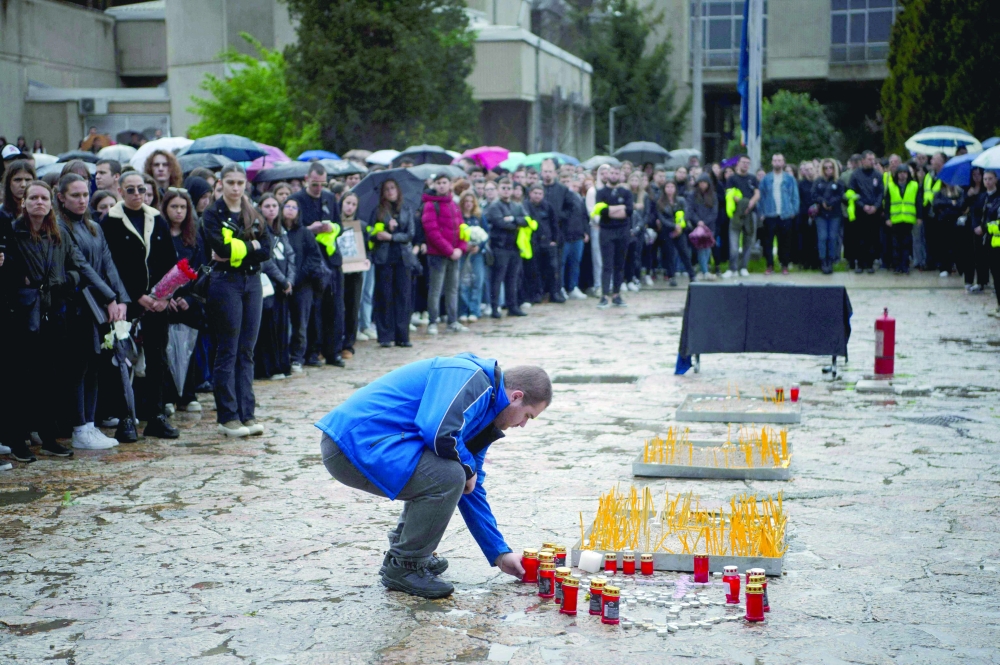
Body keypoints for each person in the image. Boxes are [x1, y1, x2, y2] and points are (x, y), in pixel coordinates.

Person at [317, 355, 551, 598]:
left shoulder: (485, 413)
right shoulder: (471, 377)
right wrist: (467, 468)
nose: (523, 425)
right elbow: (439, 431)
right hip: (353, 442)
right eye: (528, 416)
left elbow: (471, 488)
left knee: (449, 474)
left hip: (373, 445)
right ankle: (405, 566)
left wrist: (499, 553)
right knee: (447, 476)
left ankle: (405, 551)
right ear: (516, 397)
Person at [0, 181, 108, 460]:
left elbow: (76, 266)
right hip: (23, 314)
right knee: (21, 380)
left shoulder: (59, 233)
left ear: (50, 202)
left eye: (43, 198)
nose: (38, 202)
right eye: (33, 197)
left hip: (55, 312)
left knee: (51, 379)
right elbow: (10, 271)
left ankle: (49, 437)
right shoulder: (14, 232)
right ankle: (17, 439)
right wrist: (24, 282)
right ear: (23, 202)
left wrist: (62, 281)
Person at [101, 171, 179, 442]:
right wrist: (135, 296)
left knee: (157, 358)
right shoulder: (109, 221)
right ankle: (125, 418)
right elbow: (110, 265)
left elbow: (169, 260)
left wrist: (165, 296)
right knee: (122, 361)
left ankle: (156, 416)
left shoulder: (156, 218)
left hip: (157, 301)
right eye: (131, 190)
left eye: (141, 190)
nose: (137, 195)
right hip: (127, 303)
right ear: (120, 191)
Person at [56, 174, 130, 451]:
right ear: (61, 197)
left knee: (94, 365)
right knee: (79, 366)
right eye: (75, 195)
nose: (82, 200)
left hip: (98, 303)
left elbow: (108, 262)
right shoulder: (62, 226)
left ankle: (89, 423)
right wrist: (110, 297)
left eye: (85, 194)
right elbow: (82, 265)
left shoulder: (92, 225)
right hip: (77, 303)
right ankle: (79, 427)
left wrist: (121, 298)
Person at [202, 164, 269, 437]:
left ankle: (247, 414)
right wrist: (250, 245)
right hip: (225, 282)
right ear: (221, 183)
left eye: (240, 182)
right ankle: (227, 417)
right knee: (228, 349)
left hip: (252, 281)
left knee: (247, 350)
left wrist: (241, 248)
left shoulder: (252, 211)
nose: (235, 187)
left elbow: (267, 249)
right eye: (230, 182)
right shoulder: (212, 213)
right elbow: (219, 248)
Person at [290, 162, 344, 368]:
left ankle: (333, 352)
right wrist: (309, 229)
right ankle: (312, 352)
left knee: (334, 307)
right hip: (309, 261)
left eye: (322, 184)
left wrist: (331, 228)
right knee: (313, 309)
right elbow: (292, 229)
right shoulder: (296, 200)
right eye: (315, 184)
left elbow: (340, 224)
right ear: (306, 180)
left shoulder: (330, 198)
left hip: (330, 259)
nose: (319, 188)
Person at [161, 187, 207, 412]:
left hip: (190, 302)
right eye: (174, 207)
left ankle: (188, 394)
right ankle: (168, 394)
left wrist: (191, 297)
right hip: (164, 301)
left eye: (182, 207)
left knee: (189, 348)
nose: (178, 212)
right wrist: (165, 296)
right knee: (166, 348)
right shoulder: (160, 234)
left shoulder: (194, 237)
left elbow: (203, 270)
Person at [368, 178, 415, 347]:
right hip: (384, 258)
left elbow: (410, 234)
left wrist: (393, 236)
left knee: (403, 296)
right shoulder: (378, 211)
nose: (390, 191)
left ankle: (403, 335)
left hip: (403, 257)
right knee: (384, 296)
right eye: (386, 189)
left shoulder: (406, 208)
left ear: (398, 190)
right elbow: (371, 233)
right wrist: (384, 230)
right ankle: (385, 336)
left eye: (392, 188)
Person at [256, 193, 297, 380]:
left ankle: (282, 364)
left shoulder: (281, 231)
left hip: (283, 288)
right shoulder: (259, 230)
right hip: (269, 286)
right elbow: (266, 260)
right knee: (268, 328)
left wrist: (290, 280)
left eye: (274, 205)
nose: (271, 209)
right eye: (267, 206)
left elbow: (290, 256)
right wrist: (282, 280)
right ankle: (269, 368)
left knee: (282, 326)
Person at [282, 197, 325, 371]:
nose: (291, 210)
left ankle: (297, 357)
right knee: (283, 323)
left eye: (294, 207)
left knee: (300, 323)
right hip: (281, 284)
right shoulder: (278, 232)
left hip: (302, 285)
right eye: (287, 206)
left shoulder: (304, 233)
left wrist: (298, 277)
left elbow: (314, 257)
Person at [422, 174, 468, 334]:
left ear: (450, 184)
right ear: (434, 185)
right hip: (437, 254)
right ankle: (432, 321)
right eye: (438, 183)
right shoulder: (430, 205)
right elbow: (432, 231)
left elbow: (462, 227)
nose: (441, 185)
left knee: (453, 288)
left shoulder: (454, 204)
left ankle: (452, 320)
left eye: (444, 182)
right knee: (436, 289)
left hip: (454, 254)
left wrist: (461, 248)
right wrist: (449, 250)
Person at [486, 178, 527, 318]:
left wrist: (512, 219)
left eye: (508, 188)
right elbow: (500, 223)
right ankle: (494, 307)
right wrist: (515, 222)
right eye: (503, 188)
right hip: (500, 247)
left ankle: (512, 306)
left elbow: (526, 220)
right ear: (498, 189)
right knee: (497, 279)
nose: (506, 191)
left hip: (515, 247)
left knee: (512, 279)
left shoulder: (517, 206)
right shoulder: (494, 206)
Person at [594, 165, 633, 308]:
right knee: (607, 265)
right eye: (612, 172)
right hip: (606, 231)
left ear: (621, 175)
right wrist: (618, 208)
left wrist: (611, 209)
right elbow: (601, 211)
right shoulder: (601, 192)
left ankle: (616, 294)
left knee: (619, 264)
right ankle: (604, 296)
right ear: (607, 174)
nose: (614, 175)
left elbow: (628, 211)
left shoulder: (626, 192)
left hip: (623, 231)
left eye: (617, 172)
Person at [338, 192, 370, 358]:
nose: (349, 207)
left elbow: (368, 249)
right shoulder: (334, 223)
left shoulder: (362, 226)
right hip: (338, 271)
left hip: (355, 271)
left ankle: (348, 345)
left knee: (352, 307)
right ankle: (333, 343)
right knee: (336, 307)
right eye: (347, 203)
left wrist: (367, 260)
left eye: (353, 204)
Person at [758, 153, 801, 275]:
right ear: (772, 162)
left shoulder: (789, 179)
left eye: (779, 160)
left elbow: (795, 196)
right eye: (775, 160)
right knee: (768, 242)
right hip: (769, 215)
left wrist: (793, 211)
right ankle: (769, 265)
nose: (777, 162)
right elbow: (760, 197)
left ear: (783, 163)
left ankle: (784, 265)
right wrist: (761, 212)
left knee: (785, 242)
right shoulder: (766, 179)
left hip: (785, 214)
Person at [650, 180, 695, 286]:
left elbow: (687, 213)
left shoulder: (681, 200)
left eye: (672, 187)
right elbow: (661, 218)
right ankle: (671, 276)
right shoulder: (660, 202)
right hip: (667, 231)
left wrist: (679, 226)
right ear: (664, 189)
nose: (670, 189)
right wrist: (673, 226)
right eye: (668, 187)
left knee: (684, 252)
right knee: (669, 254)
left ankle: (692, 275)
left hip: (680, 230)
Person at [521, 184, 560, 305]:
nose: (537, 196)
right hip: (532, 242)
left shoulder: (547, 206)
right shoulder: (525, 206)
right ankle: (536, 294)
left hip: (547, 242)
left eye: (540, 193)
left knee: (551, 268)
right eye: (535, 193)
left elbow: (554, 224)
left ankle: (553, 293)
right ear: (530, 193)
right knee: (534, 270)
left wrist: (555, 240)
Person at [847, 151, 884, 274]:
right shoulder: (855, 175)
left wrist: (876, 206)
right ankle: (860, 263)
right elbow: (851, 193)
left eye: (873, 159)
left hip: (874, 212)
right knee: (859, 238)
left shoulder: (877, 175)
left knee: (872, 238)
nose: (872, 162)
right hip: (860, 211)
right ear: (862, 160)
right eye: (869, 159)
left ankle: (870, 263)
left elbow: (880, 193)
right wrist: (863, 206)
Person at [723, 155, 760, 278]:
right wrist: (743, 204)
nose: (745, 165)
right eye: (743, 162)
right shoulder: (732, 179)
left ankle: (743, 267)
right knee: (733, 243)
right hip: (736, 215)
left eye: (748, 163)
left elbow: (757, 193)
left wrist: (751, 203)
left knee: (748, 242)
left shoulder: (753, 178)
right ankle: (732, 268)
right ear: (738, 163)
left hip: (751, 213)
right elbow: (730, 194)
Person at [540, 159, 569, 301]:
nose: (547, 174)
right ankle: (541, 292)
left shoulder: (562, 189)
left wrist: (559, 215)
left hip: (557, 231)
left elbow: (570, 208)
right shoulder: (537, 189)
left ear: (555, 173)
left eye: (550, 171)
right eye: (545, 171)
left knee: (555, 265)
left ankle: (555, 292)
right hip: (539, 232)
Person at [883, 165, 922, 274]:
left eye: (905, 172)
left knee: (906, 244)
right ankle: (897, 266)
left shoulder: (914, 185)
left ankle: (905, 266)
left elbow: (918, 202)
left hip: (908, 219)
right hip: (895, 219)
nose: (902, 175)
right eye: (900, 173)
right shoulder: (891, 186)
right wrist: (887, 218)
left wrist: (919, 217)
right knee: (895, 244)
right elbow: (887, 204)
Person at [457, 191, 487, 324]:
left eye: (471, 201)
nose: (468, 204)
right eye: (466, 201)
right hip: (463, 253)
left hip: (477, 253)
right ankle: (463, 310)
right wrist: (465, 246)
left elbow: (486, 234)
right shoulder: (458, 217)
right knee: (463, 282)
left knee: (477, 281)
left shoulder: (479, 217)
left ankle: (474, 310)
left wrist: (479, 246)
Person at [559, 173, 589, 299]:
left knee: (575, 262)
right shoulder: (562, 198)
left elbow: (584, 216)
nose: (575, 188)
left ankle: (573, 287)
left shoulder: (580, 199)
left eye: (578, 186)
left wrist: (585, 232)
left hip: (578, 236)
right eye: (573, 185)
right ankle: (561, 287)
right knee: (562, 263)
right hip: (565, 236)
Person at [811, 159, 844, 274]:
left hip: (834, 214)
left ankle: (831, 260)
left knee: (832, 237)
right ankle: (823, 261)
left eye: (831, 167)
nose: (828, 170)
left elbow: (841, 195)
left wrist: (831, 203)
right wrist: (823, 202)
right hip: (821, 214)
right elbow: (814, 195)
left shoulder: (838, 182)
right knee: (822, 237)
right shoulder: (818, 181)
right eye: (826, 168)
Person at [974, 171, 1000, 306]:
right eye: (985, 179)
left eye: (990, 179)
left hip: (994, 238)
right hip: (983, 238)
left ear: (996, 180)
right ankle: (982, 282)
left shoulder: (998, 198)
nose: (988, 182)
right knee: (983, 262)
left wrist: (984, 227)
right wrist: (976, 226)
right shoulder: (981, 197)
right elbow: (975, 213)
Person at [686, 174, 719, 278]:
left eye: (705, 182)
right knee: (701, 248)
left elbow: (714, 212)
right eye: (701, 182)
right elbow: (690, 210)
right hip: (697, 226)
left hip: (710, 226)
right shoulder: (692, 195)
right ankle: (704, 271)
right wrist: (698, 221)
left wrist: (705, 221)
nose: (703, 185)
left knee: (708, 248)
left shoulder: (713, 195)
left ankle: (704, 269)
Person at [963, 168, 990, 293]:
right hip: (970, 225)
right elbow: (962, 206)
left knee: (981, 255)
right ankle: (968, 280)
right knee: (968, 254)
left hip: (981, 225)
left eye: (979, 174)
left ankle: (982, 281)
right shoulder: (969, 189)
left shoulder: (986, 192)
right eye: (974, 175)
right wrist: (968, 196)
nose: (976, 177)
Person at [585, 164, 610, 295]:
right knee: (598, 258)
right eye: (603, 173)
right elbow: (591, 211)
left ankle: (609, 284)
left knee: (609, 257)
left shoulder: (612, 190)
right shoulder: (592, 191)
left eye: (608, 173)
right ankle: (598, 285)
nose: (606, 175)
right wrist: (604, 221)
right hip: (597, 228)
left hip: (611, 228)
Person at [931, 184, 965, 277]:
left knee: (958, 247)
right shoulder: (940, 192)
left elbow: (961, 204)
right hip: (943, 222)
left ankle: (961, 268)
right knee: (943, 246)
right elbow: (936, 203)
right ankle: (945, 268)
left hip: (956, 222)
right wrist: (950, 202)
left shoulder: (960, 192)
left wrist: (949, 205)